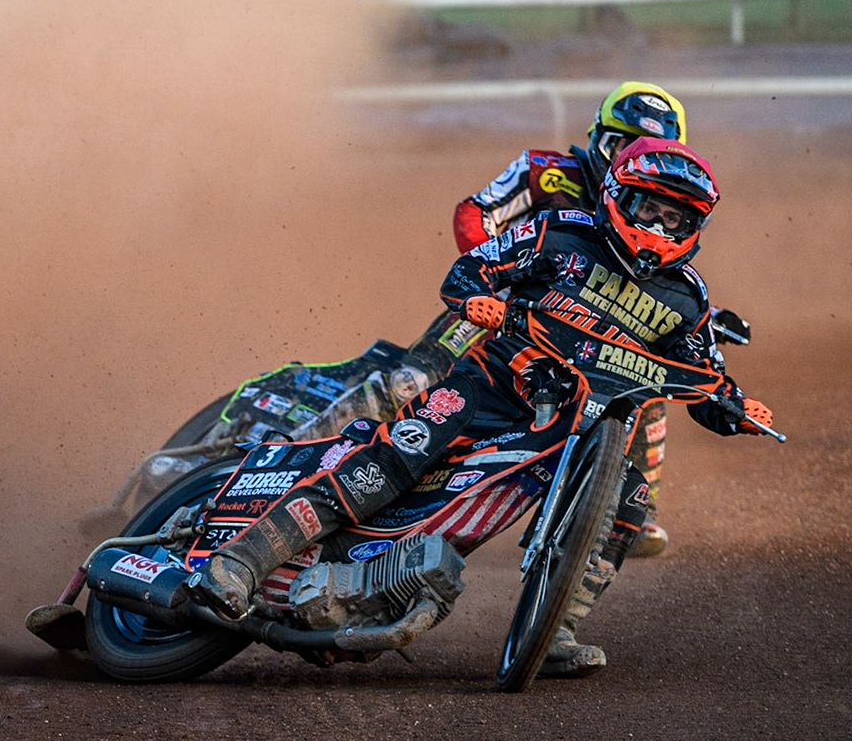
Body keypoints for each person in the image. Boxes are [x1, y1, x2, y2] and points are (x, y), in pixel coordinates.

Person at [193, 139, 773, 678]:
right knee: (392, 459)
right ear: (618, 195)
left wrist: (737, 408)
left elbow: (706, 378)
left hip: (579, 422)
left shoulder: (687, 296)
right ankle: (242, 562)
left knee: (629, 503)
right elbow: (471, 271)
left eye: (675, 218)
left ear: (696, 226)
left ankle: (558, 633)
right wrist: (480, 301)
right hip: (492, 384)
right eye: (649, 207)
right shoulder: (557, 231)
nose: (657, 226)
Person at [453, 81, 690, 558]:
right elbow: (476, 211)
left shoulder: (663, 209)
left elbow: (671, 277)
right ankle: (390, 430)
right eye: (621, 144)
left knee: (647, 383)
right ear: (599, 138)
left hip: (599, 330)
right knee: (437, 351)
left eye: (644, 150)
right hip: (514, 306)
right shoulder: (546, 170)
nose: (629, 157)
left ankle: (624, 510)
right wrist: (494, 270)